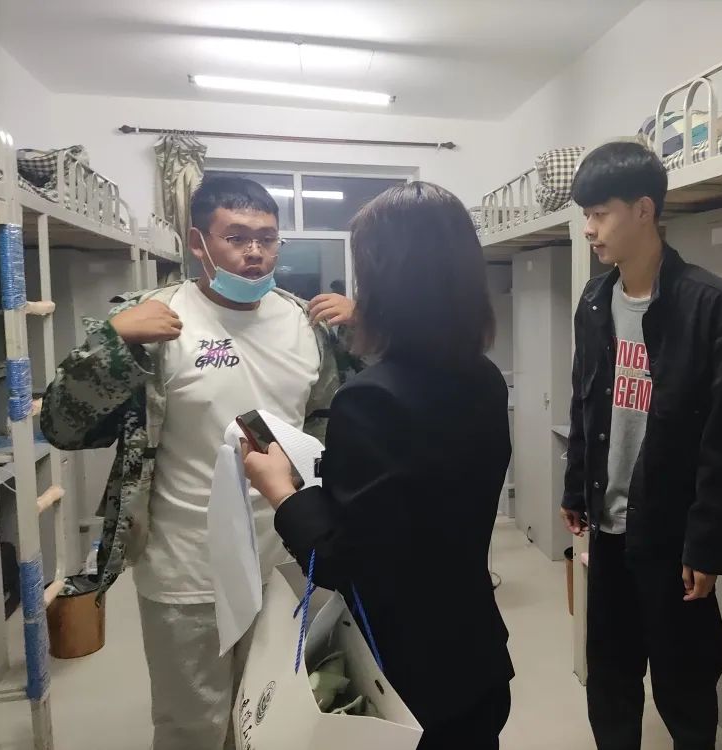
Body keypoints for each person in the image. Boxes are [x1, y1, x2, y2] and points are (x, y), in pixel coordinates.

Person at [40, 175, 357, 750]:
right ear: (197, 242)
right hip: (185, 566)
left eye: (267, 238)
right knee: (192, 725)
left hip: (283, 557)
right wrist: (111, 343)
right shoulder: (154, 319)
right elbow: (62, 427)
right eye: (235, 237)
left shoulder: (307, 324)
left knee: (272, 715)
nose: (255, 252)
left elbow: (349, 423)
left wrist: (368, 329)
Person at [242, 181, 514, 750]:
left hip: (407, 680)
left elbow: (344, 560)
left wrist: (283, 492)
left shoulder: (370, 398)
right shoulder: (484, 379)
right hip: (475, 654)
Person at [560, 141, 722, 750]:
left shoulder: (714, 306)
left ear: (644, 210)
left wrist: (708, 542)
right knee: (610, 679)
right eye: (585, 215)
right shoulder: (595, 301)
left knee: (685, 686)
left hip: (672, 537)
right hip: (608, 532)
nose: (589, 229)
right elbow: (585, 399)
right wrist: (575, 486)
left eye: (600, 214)